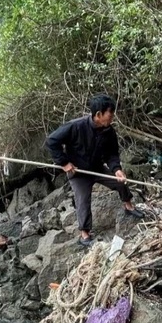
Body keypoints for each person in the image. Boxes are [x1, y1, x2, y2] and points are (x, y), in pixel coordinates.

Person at [45, 94, 144, 247]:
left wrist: (116, 169)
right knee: (83, 199)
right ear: (98, 114)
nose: (112, 118)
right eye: (110, 114)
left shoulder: (108, 131)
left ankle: (128, 205)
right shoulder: (75, 126)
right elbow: (52, 141)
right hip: (78, 173)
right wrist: (64, 163)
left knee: (120, 182)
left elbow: (112, 154)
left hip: (97, 168)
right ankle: (84, 234)